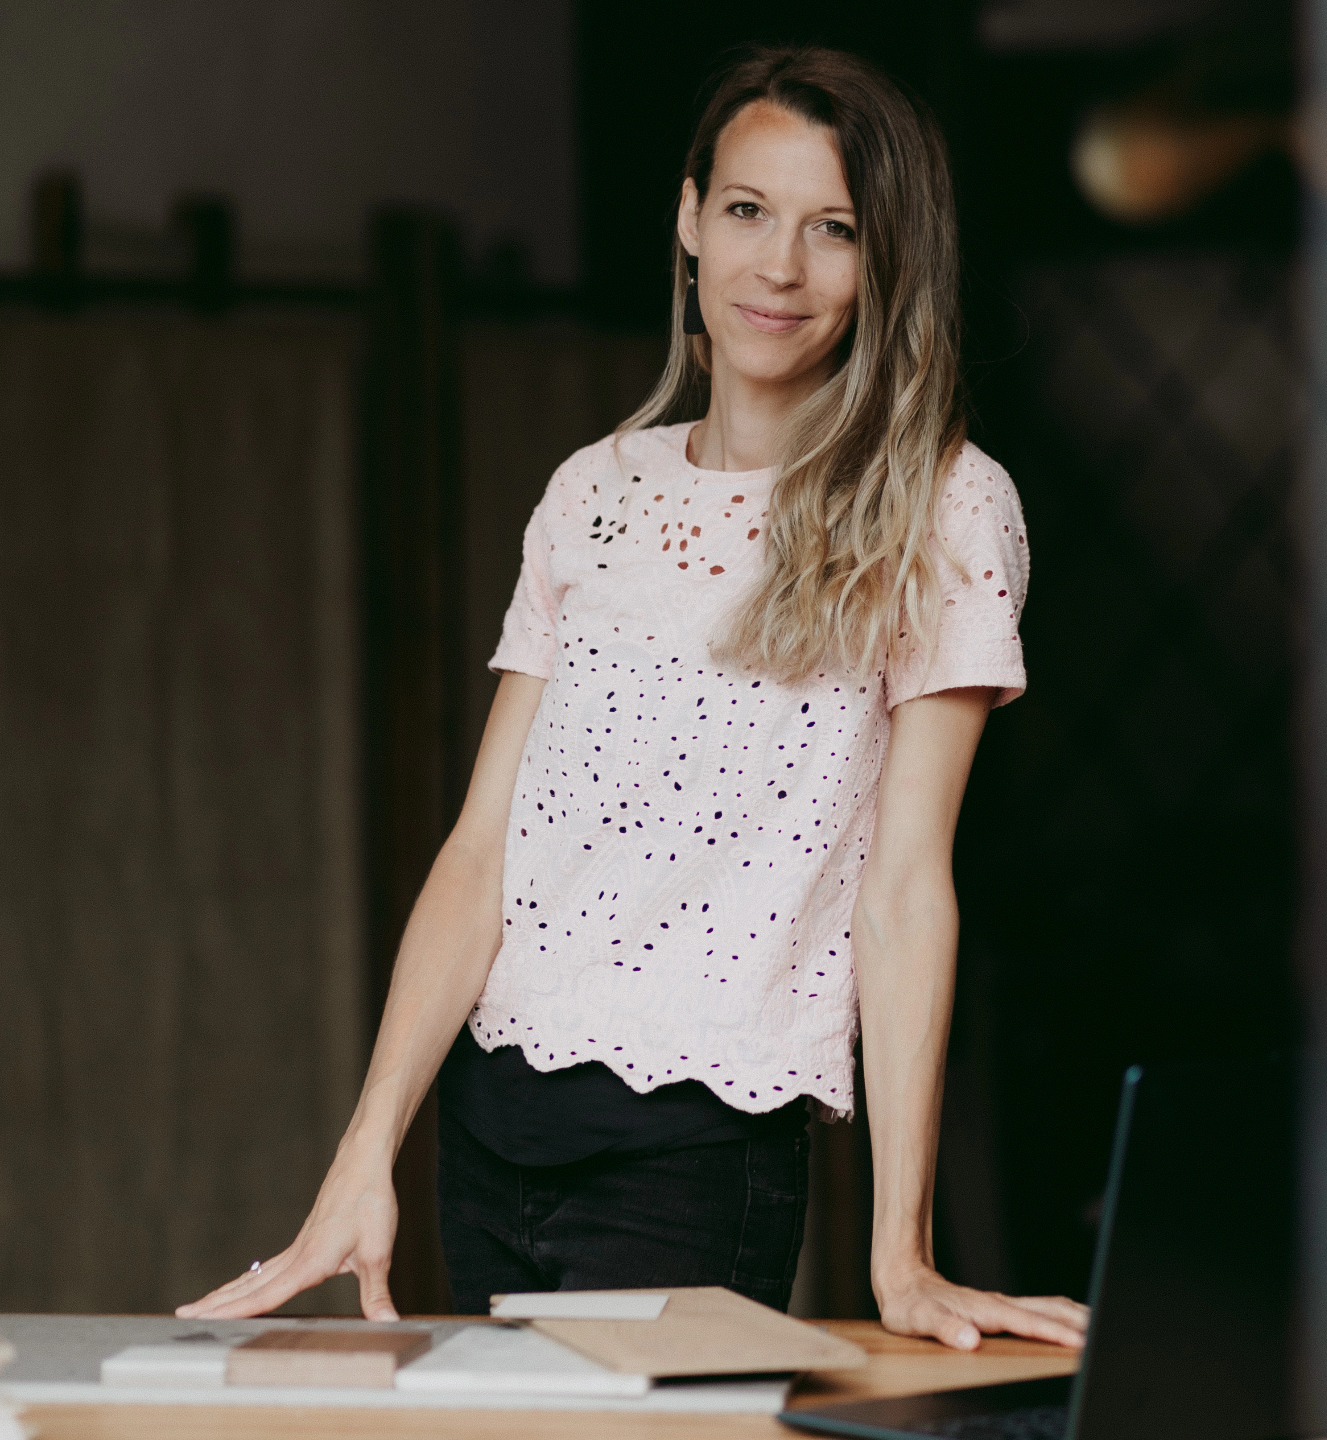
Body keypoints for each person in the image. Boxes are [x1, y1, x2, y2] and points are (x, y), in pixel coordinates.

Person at [179, 45, 1088, 1352]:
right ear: (686, 220)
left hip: (697, 1153)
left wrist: (905, 1251)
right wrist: (365, 1149)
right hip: (488, 1132)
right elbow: (485, 849)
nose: (780, 268)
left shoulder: (944, 507)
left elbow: (904, 894)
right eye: (747, 212)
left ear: (889, 259)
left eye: (835, 229)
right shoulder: (592, 491)